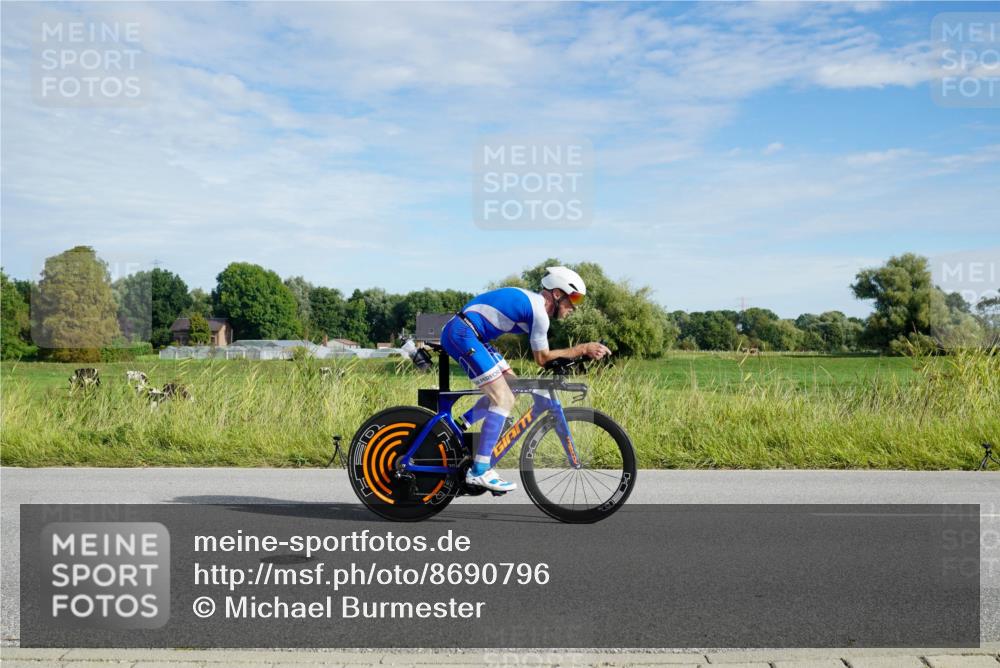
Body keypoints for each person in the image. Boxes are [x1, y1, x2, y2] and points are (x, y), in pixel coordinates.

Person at [440, 266, 611, 492]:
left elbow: (544, 357)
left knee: (514, 387)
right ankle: (480, 470)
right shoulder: (540, 313)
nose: (574, 307)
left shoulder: (534, 305)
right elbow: (542, 358)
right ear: (557, 294)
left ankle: (458, 426)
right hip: (464, 333)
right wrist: (583, 349)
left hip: (473, 334)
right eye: (574, 299)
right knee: (503, 400)